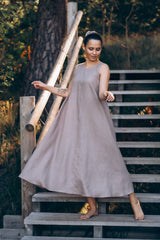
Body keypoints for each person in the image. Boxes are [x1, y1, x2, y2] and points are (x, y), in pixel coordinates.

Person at [19, 31, 144, 221]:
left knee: (112, 159)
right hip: (78, 121)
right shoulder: (78, 68)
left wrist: (108, 94)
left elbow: (101, 92)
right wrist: (46, 87)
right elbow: (68, 92)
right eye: (91, 48)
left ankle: (133, 199)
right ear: (84, 48)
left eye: (98, 49)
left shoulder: (103, 67)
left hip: (97, 121)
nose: (94, 52)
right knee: (82, 161)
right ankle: (92, 206)